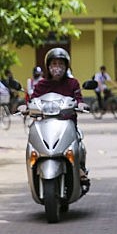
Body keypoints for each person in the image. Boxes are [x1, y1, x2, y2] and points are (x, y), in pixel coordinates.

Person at [26, 48, 90, 188]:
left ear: (66, 66)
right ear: (48, 66)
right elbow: (32, 100)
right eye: (54, 64)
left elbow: (78, 98)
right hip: (45, 123)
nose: (57, 67)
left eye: (61, 64)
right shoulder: (41, 84)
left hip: (67, 123)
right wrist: (24, 107)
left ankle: (79, 168)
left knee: (78, 143)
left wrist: (81, 104)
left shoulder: (73, 83)